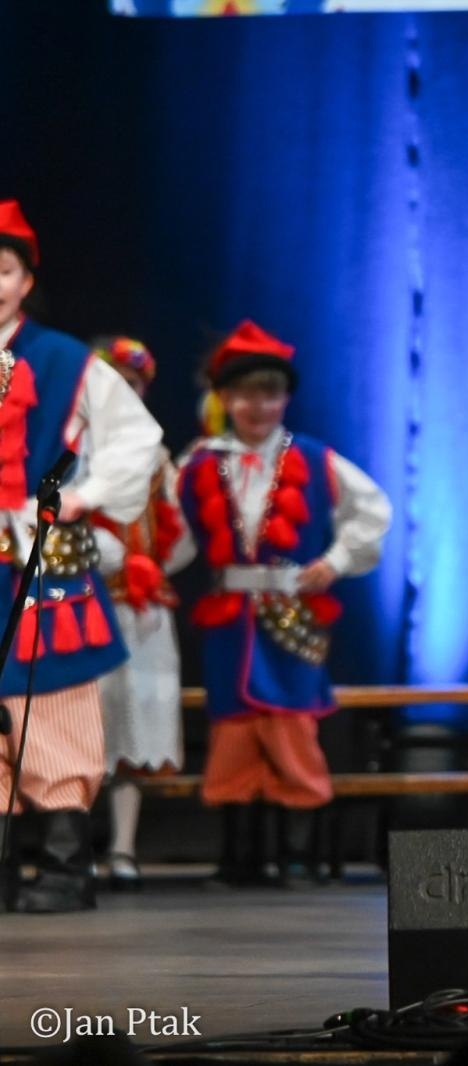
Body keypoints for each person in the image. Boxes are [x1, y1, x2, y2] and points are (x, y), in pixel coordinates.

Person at [175, 320, 390, 885]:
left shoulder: (316, 459)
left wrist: (335, 563)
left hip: (293, 614)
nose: (258, 405)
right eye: (245, 392)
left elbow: (372, 512)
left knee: (291, 725)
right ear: (223, 397)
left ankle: (294, 852)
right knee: (234, 728)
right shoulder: (198, 463)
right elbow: (170, 535)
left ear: (286, 397)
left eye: (269, 392)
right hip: (230, 619)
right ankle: (239, 854)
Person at [0, 201, 164, 913]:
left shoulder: (67, 360)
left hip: (43, 561)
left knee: (57, 706)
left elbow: (139, 440)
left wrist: (78, 496)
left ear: (25, 279)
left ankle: (69, 868)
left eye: (1, 270)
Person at [89, 337, 194, 891]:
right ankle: (73, 849)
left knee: (134, 723)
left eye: (133, 384)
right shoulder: (75, 449)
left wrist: (148, 567)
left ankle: (122, 848)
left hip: (141, 609)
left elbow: (179, 532)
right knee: (86, 727)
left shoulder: (156, 456)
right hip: (85, 602)